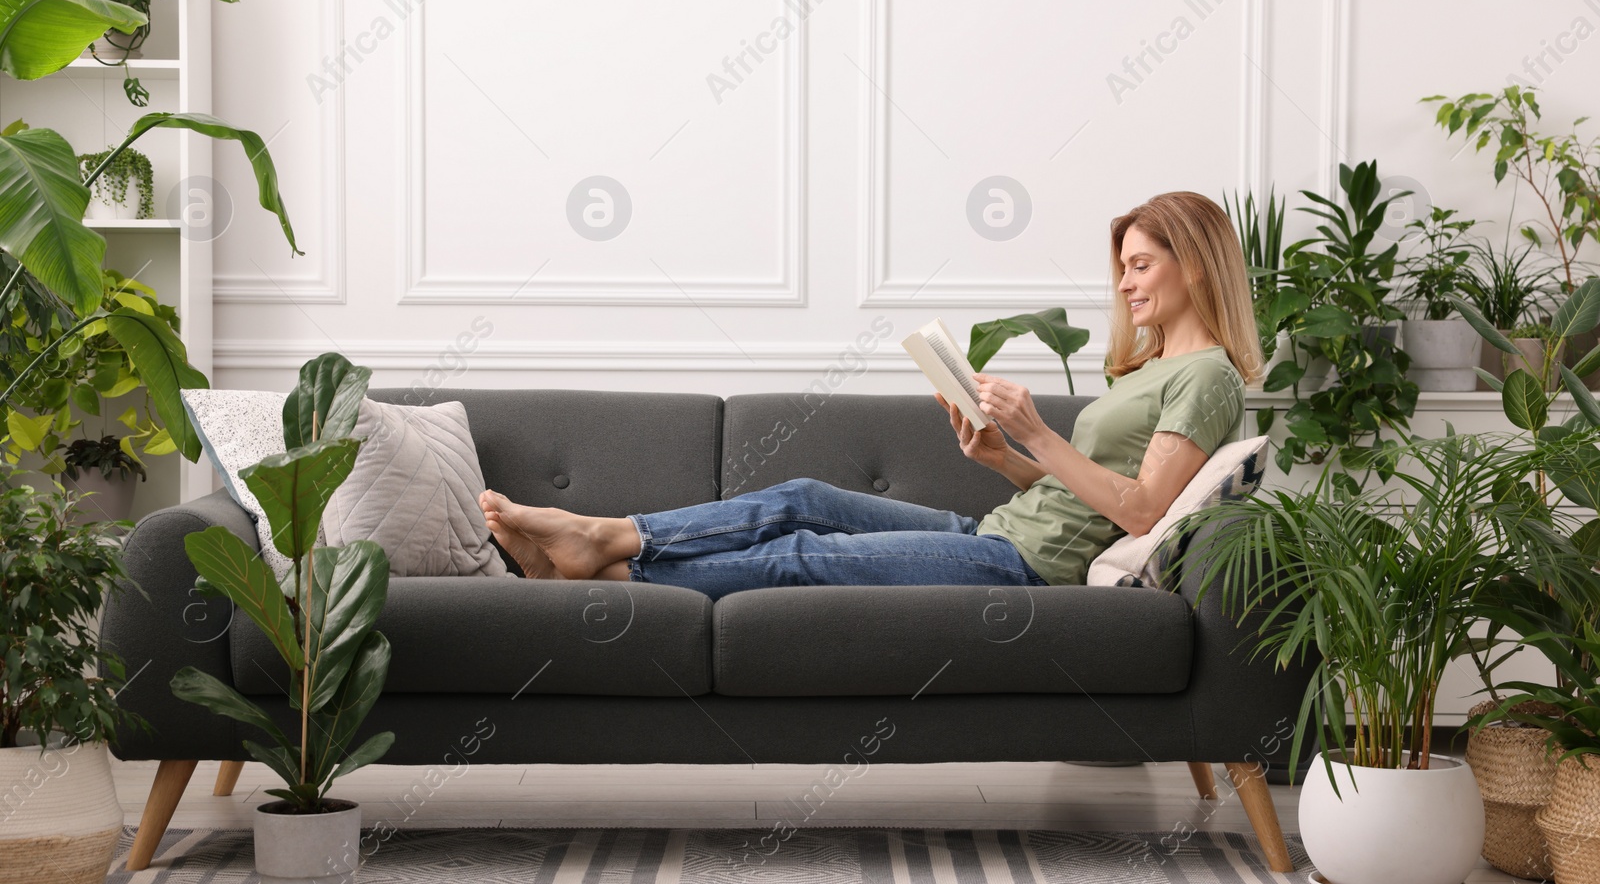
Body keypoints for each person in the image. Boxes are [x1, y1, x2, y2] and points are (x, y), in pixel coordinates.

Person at [479, 190, 1262, 597]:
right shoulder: (1153, 369)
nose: (1125, 283)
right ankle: (604, 536)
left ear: (1193, 264)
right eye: (1122, 266)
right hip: (997, 528)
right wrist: (1001, 457)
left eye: (1141, 264)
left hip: (1022, 566)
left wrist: (1040, 434)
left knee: (801, 557)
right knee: (800, 496)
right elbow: (1089, 495)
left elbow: (1141, 511)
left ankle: (602, 555)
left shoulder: (1208, 376)